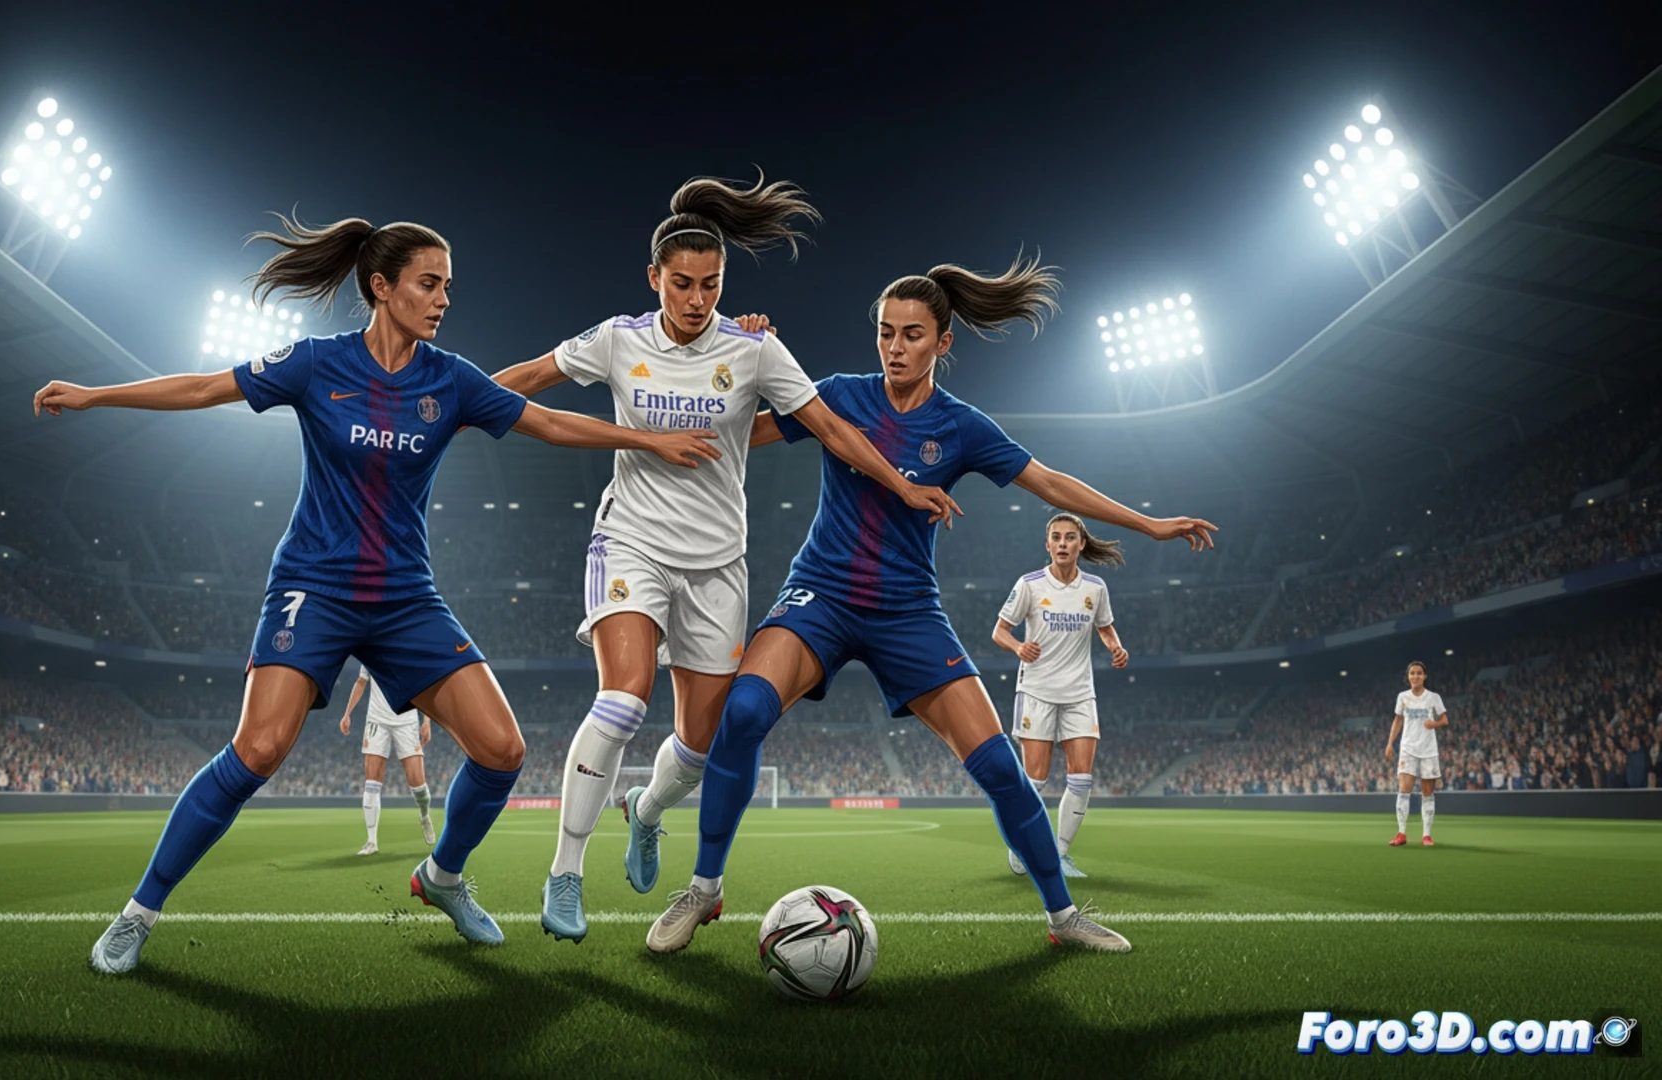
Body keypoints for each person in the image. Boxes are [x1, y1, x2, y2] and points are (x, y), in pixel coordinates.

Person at [33, 214, 722, 971]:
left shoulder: (450, 379)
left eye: (448, 287)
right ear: (382, 287)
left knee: (502, 750)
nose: (443, 300)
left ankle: (443, 877)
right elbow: (203, 386)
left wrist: (647, 439)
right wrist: (95, 396)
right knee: (257, 749)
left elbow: (551, 423)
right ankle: (137, 914)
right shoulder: (314, 363)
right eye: (429, 284)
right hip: (314, 586)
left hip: (404, 598)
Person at [647, 254, 1216, 955]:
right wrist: (733, 358)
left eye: (911, 335)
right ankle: (704, 889)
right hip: (819, 596)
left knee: (1000, 767)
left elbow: (1050, 483)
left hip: (908, 612)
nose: (894, 347)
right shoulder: (839, 395)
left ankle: (1064, 917)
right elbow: (734, 430)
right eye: (885, 332)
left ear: (942, 342)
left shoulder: (962, 426)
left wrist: (1150, 525)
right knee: (741, 715)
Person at [489, 172, 959, 943]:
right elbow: (526, 380)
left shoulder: (754, 348)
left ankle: (644, 810)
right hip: (631, 540)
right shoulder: (618, 339)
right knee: (623, 700)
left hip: (716, 565)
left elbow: (833, 427)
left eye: (711, 284)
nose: (697, 298)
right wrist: (447, 405)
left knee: (701, 745)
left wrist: (902, 485)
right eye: (682, 284)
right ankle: (566, 872)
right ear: (655, 278)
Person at [991, 512, 1129, 880]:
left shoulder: (1095, 588)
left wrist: (1116, 647)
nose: (1063, 543)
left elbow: (1106, 627)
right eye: (1057, 537)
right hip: (1037, 691)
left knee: (1082, 779)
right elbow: (999, 631)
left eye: (1070, 537)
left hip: (1080, 693)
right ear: (1048, 544)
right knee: (1034, 781)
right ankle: (1020, 846)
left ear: (1081, 544)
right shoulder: (1030, 585)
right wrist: (1018, 647)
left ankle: (1059, 855)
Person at [338, 665, 436, 852]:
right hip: (377, 720)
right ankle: (371, 841)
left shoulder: (410, 653)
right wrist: (347, 713)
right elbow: (361, 682)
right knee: (372, 783)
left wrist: (426, 721)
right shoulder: (370, 652)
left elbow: (423, 685)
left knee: (418, 785)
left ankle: (424, 815)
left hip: (406, 721)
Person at [1386, 660, 1449, 847]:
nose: (1415, 676)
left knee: (1427, 794)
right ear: (1408, 676)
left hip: (1428, 750)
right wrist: (1390, 743)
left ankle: (1426, 835)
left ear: (1425, 676)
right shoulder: (1403, 697)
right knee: (1403, 790)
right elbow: (1398, 720)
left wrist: (1434, 724)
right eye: (1412, 673)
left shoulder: (1433, 697)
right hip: (1408, 749)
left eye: (1419, 673)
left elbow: (1445, 720)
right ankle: (1401, 833)